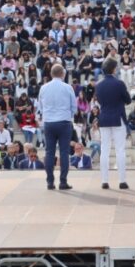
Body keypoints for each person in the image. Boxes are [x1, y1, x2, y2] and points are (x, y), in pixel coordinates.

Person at [39, 63, 77, 191]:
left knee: (49, 152)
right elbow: (74, 107)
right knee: (64, 152)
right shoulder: (67, 87)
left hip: (49, 122)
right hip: (64, 121)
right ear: (63, 74)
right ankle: (63, 181)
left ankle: (50, 182)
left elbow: (40, 106)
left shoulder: (44, 88)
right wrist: (68, 116)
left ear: (51, 74)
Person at [94, 57, 131, 190]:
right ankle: (122, 181)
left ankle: (104, 181)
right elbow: (128, 100)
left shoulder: (98, 85)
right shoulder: (119, 83)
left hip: (104, 118)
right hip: (117, 118)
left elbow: (99, 101)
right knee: (120, 150)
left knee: (105, 149)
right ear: (114, 69)